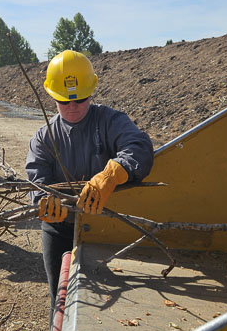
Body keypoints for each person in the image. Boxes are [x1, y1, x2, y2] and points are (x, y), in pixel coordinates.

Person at [25, 50, 154, 313]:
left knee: (109, 297)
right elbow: (36, 176)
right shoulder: (44, 137)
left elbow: (139, 146)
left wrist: (113, 172)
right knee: (60, 297)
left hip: (103, 224)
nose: (72, 108)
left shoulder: (109, 121)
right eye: (64, 102)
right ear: (52, 97)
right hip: (58, 228)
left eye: (80, 100)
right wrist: (44, 199)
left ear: (91, 92)